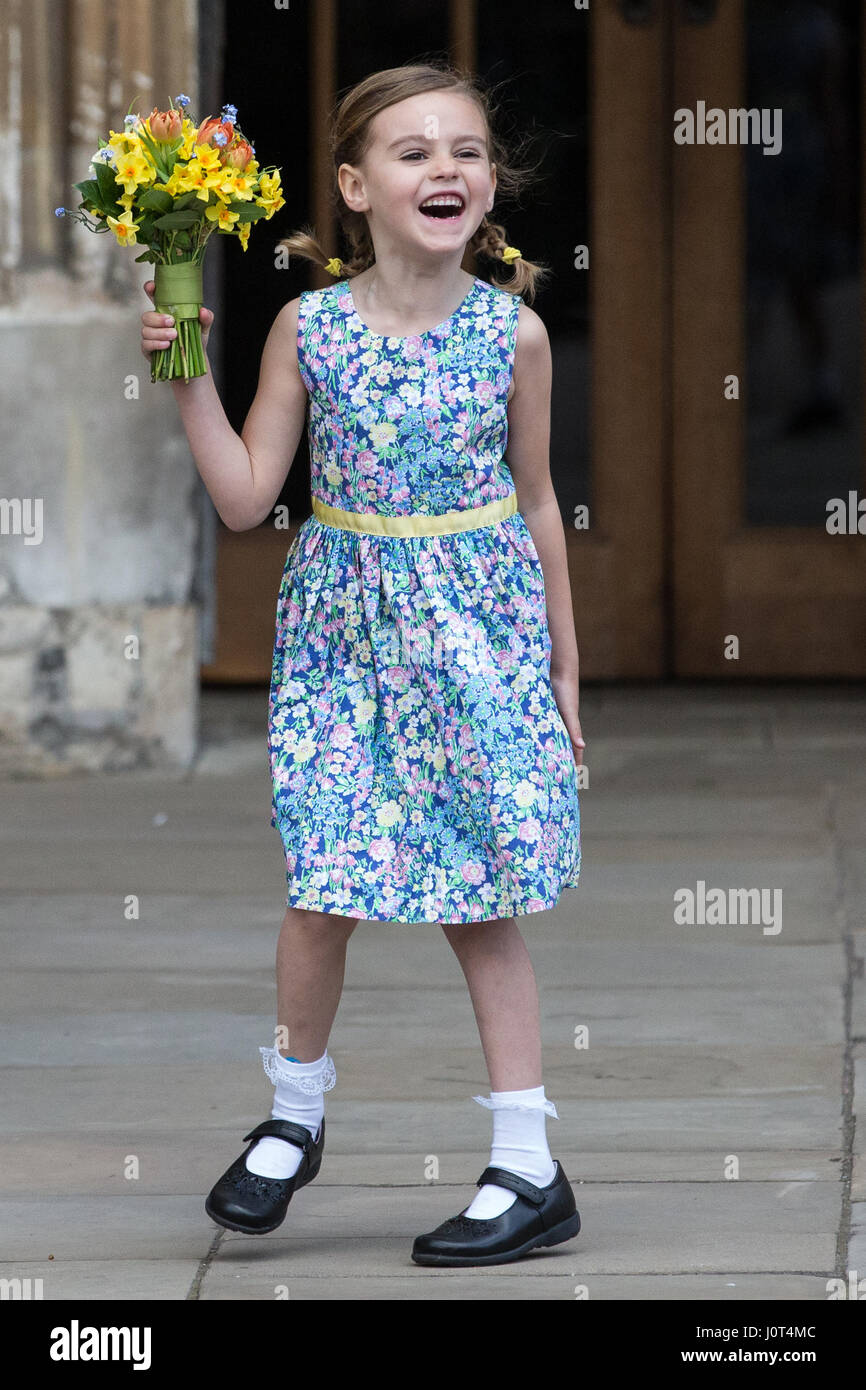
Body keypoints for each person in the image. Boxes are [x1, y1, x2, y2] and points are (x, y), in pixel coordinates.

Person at [140, 60, 584, 1267]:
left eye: (467, 151)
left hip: (474, 641)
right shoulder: (310, 327)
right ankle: (289, 1122)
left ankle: (528, 1169)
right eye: (412, 150)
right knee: (323, 886)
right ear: (352, 185)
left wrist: (560, 668)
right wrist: (184, 368)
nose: (446, 168)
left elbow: (537, 501)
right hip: (345, 641)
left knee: (480, 901)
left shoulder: (516, 332)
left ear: (489, 186)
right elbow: (244, 500)